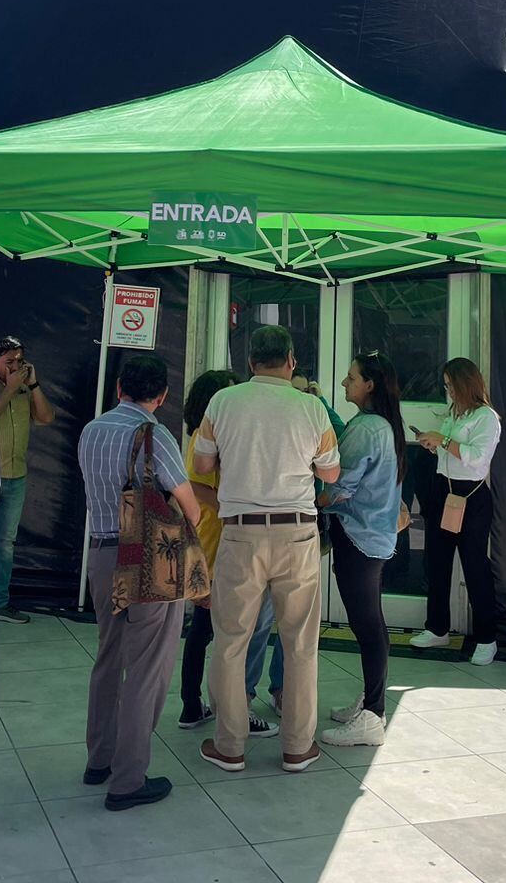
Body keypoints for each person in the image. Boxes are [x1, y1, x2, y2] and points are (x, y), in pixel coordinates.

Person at [193, 325, 339, 774]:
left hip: (240, 533)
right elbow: (330, 475)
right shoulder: (312, 407)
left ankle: (229, 746)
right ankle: (298, 747)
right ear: (291, 361)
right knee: (299, 643)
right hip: (297, 535)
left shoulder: (222, 402)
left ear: (250, 361)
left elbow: (201, 465)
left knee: (231, 641)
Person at [77, 354, 202, 811]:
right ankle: (128, 780)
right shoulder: (155, 434)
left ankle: (99, 760)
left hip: (103, 552)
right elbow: (190, 507)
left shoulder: (91, 431)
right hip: (149, 557)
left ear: (118, 388)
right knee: (147, 668)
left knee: (108, 658)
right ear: (162, 396)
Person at [177, 370, 280, 738]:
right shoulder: (202, 440)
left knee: (206, 628)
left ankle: (193, 705)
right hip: (215, 542)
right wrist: (228, 505)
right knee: (226, 631)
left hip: (218, 539)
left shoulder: (215, 434)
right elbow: (192, 484)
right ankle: (230, 709)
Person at [319, 352, 405, 747]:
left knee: (367, 624)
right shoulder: (382, 425)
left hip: (358, 537)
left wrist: (317, 496)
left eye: (350, 377)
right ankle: (372, 702)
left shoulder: (368, 428)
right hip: (372, 537)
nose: (344, 383)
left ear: (369, 384)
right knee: (371, 622)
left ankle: (373, 714)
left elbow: (339, 485)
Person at [413, 356, 503, 666]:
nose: (448, 391)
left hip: (472, 496)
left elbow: (477, 458)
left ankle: (487, 637)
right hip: (444, 490)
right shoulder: (454, 414)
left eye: (451, 386)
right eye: (446, 386)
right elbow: (450, 452)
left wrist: (445, 440)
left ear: (466, 385)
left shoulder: (487, 418)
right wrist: (434, 444)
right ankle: (437, 627)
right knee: (437, 562)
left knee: (474, 567)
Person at [0, 335, 55, 623]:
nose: (16, 366)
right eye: (9, 362)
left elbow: (45, 418)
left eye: (20, 361)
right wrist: (9, 388)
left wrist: (33, 385)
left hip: (16, 477)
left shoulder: (25, 384)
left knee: (6, 543)